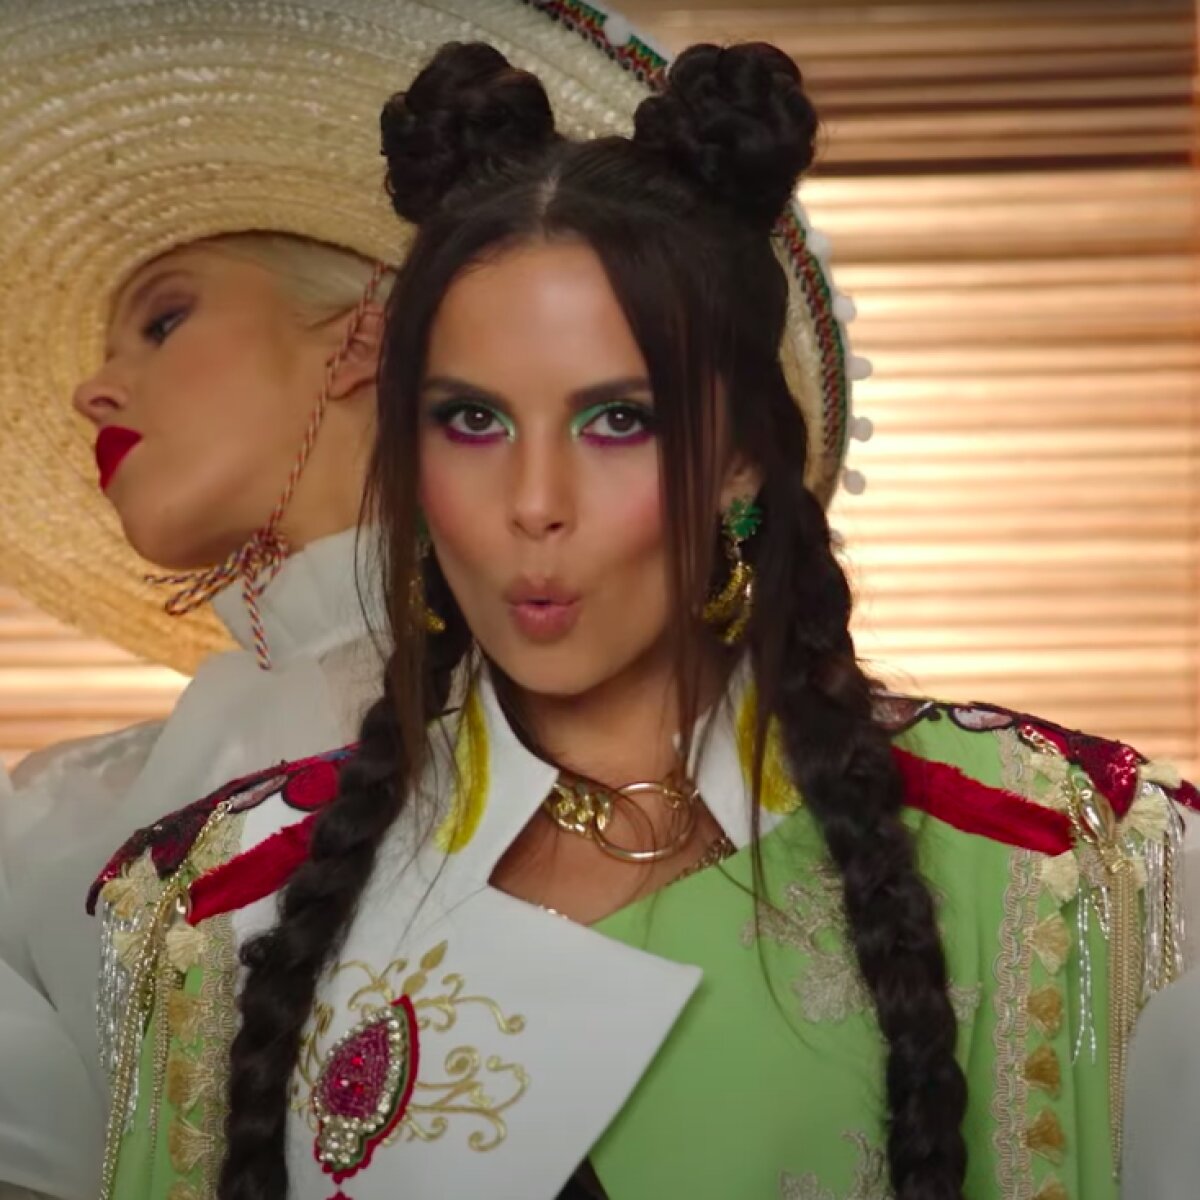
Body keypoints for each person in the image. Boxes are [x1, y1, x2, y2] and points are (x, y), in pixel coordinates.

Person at [80, 32, 980, 1200]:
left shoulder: (1062, 869)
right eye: (473, 422)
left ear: (740, 463)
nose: (533, 504)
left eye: (618, 422)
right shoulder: (209, 900)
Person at [0, 4, 763, 1198]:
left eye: (164, 318)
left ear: (365, 335)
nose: (93, 391)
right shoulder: (51, 820)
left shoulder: (702, 739)